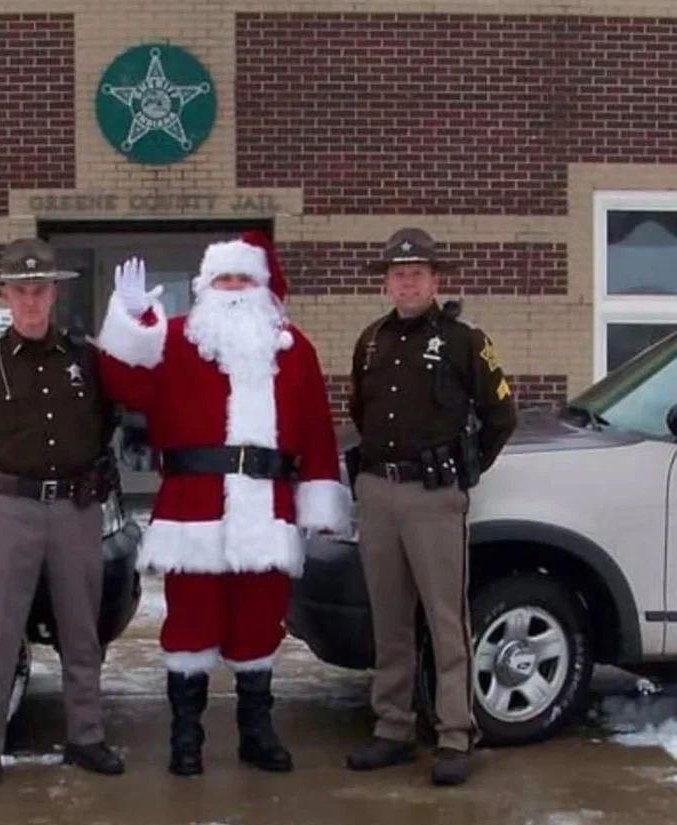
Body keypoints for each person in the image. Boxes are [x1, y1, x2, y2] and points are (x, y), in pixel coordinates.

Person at [96, 230, 351, 776]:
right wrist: (131, 318)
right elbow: (123, 384)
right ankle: (184, 738)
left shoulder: (294, 348)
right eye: (223, 279)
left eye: (243, 278)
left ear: (262, 287)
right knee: (190, 626)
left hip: (268, 506)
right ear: (204, 286)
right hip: (194, 507)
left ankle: (256, 733)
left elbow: (317, 432)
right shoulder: (174, 339)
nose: (233, 289)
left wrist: (319, 500)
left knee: (261, 625)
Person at [0, 238, 124, 788]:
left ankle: (86, 737)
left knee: (81, 629)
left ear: (55, 293)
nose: (32, 300)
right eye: (21, 290)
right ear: (6, 295)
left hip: (75, 509)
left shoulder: (85, 360)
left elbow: (111, 415)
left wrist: (98, 462)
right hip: (10, 508)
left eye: (40, 289)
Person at [346, 227, 518, 786]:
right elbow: (358, 409)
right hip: (378, 494)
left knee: (447, 619)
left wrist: (464, 473)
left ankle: (454, 733)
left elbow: (501, 416)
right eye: (398, 273)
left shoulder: (465, 340)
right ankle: (392, 727)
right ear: (387, 282)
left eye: (418, 272)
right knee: (389, 618)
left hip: (433, 497)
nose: (407, 281)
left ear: (436, 279)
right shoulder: (371, 340)